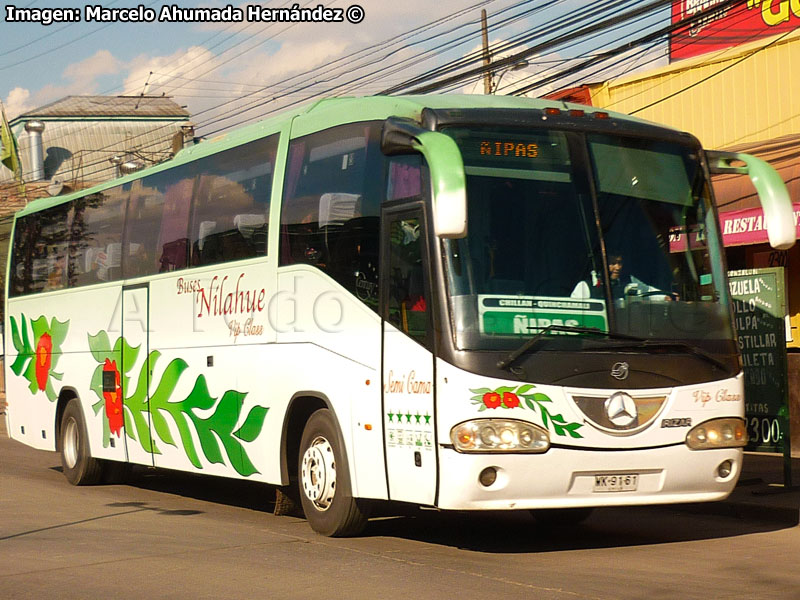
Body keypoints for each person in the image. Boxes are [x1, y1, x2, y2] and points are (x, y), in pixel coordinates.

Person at [571, 253, 671, 302]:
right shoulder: (585, 287)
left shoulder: (629, 281)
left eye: (619, 263)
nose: (617, 267)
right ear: (602, 265)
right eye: (613, 263)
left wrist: (665, 297)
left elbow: (649, 291)